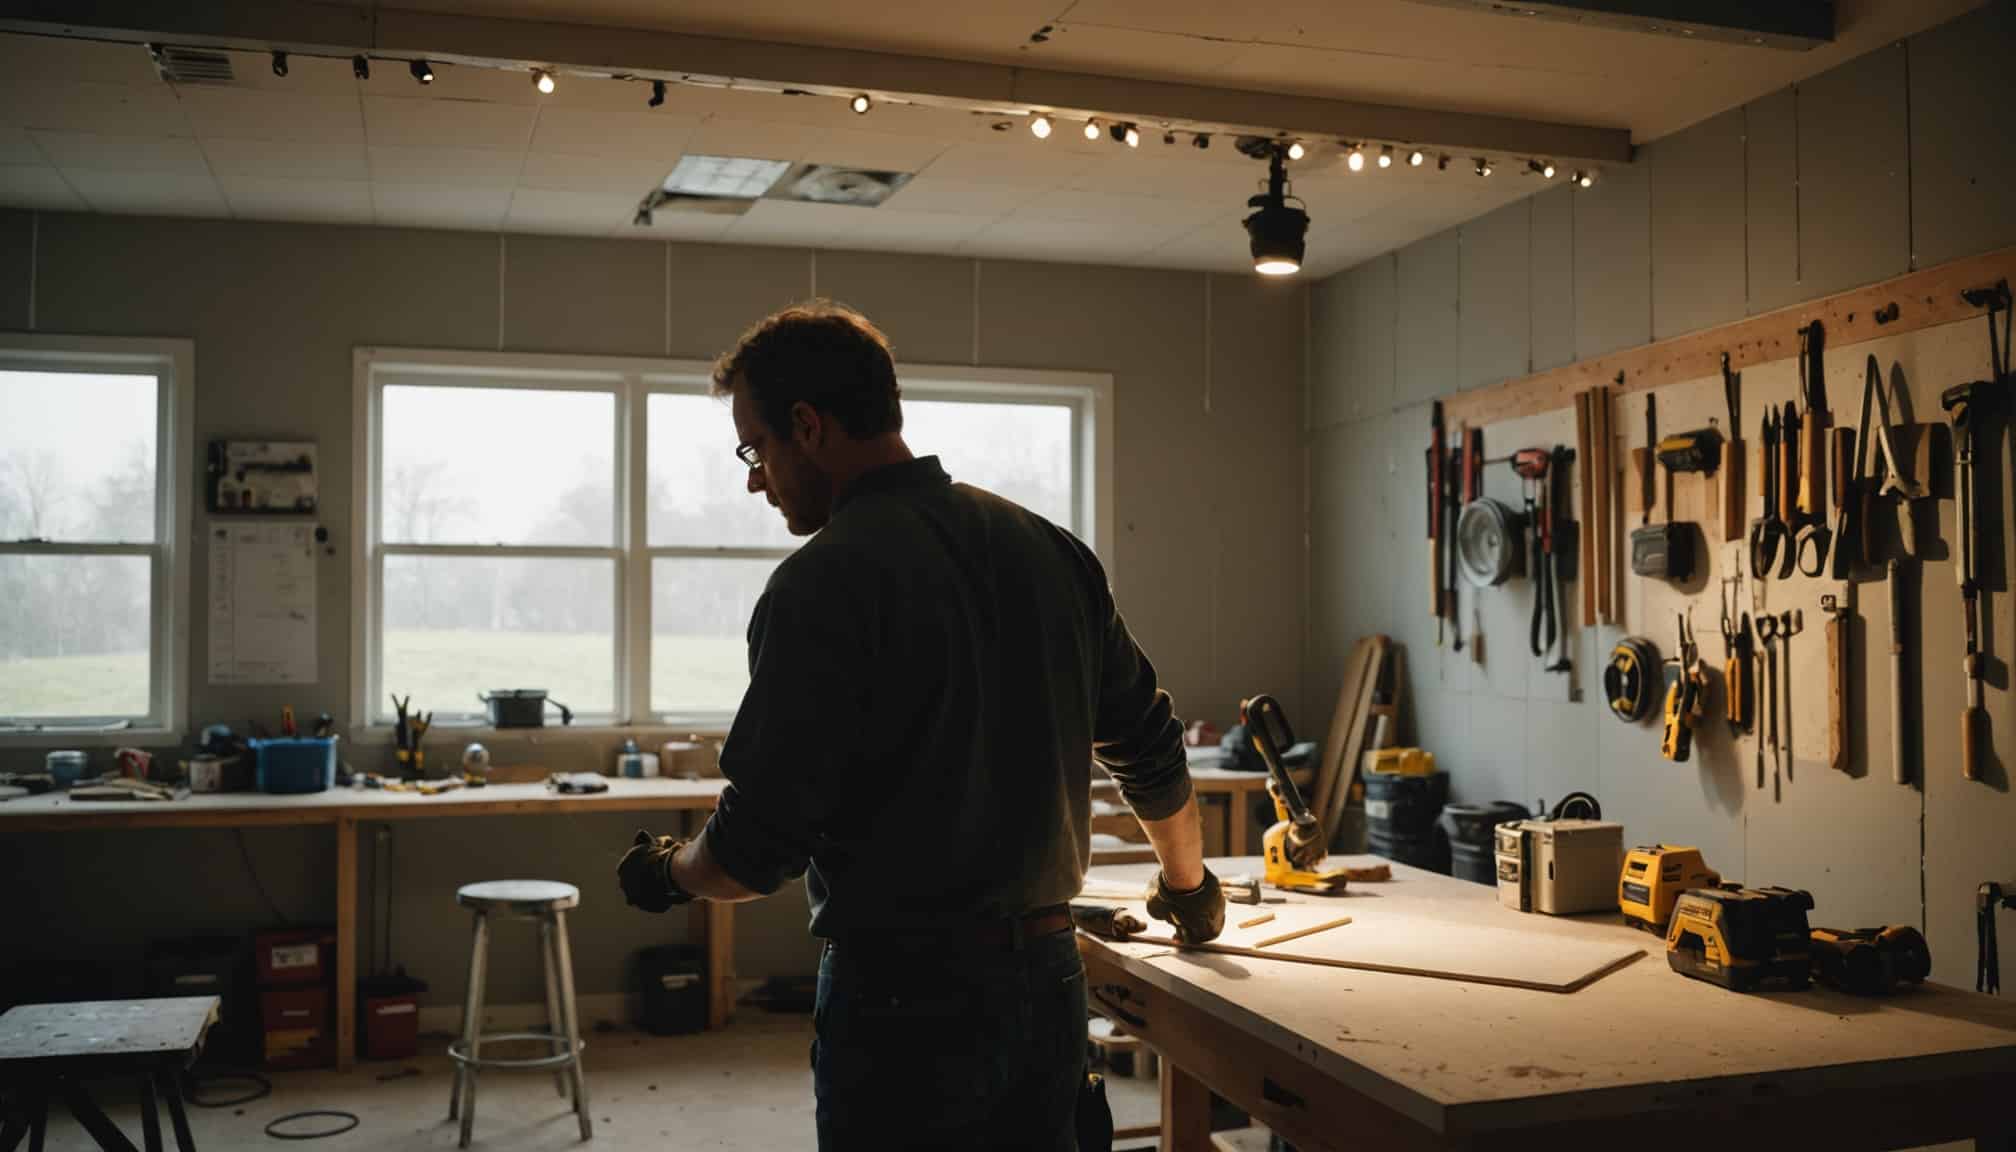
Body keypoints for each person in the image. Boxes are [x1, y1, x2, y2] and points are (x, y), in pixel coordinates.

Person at [617, 301, 1225, 1151]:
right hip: (1048, 986)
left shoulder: (819, 585)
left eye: (756, 451)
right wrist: (1191, 891)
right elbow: (1150, 747)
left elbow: (752, 856)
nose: (756, 479)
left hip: (902, 1009)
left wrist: (667, 873)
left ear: (808, 424)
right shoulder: (1049, 549)